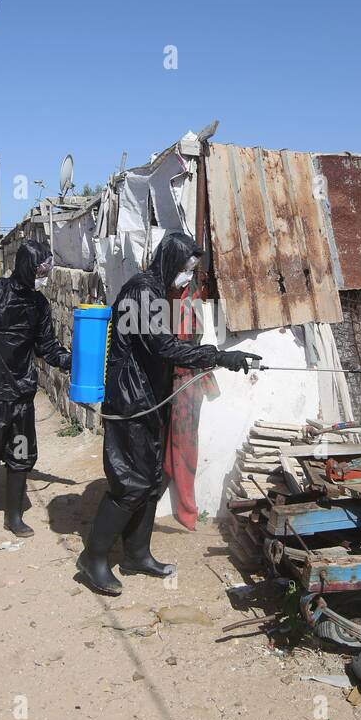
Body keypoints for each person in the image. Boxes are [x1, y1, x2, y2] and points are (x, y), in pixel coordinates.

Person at [77, 232, 257, 595]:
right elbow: (163, 346)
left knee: (152, 479)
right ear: (169, 261)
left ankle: (136, 554)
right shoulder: (143, 292)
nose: (188, 277)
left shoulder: (157, 290)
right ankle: (93, 558)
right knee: (130, 484)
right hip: (129, 402)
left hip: (149, 400)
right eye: (186, 268)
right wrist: (219, 356)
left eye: (192, 270)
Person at [0, 239, 71, 538]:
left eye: (47, 269)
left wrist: (68, 361)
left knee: (21, 453)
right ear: (25, 266)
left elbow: (46, 344)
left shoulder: (38, 305)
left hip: (22, 392)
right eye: (40, 269)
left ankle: (13, 515)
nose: (44, 275)